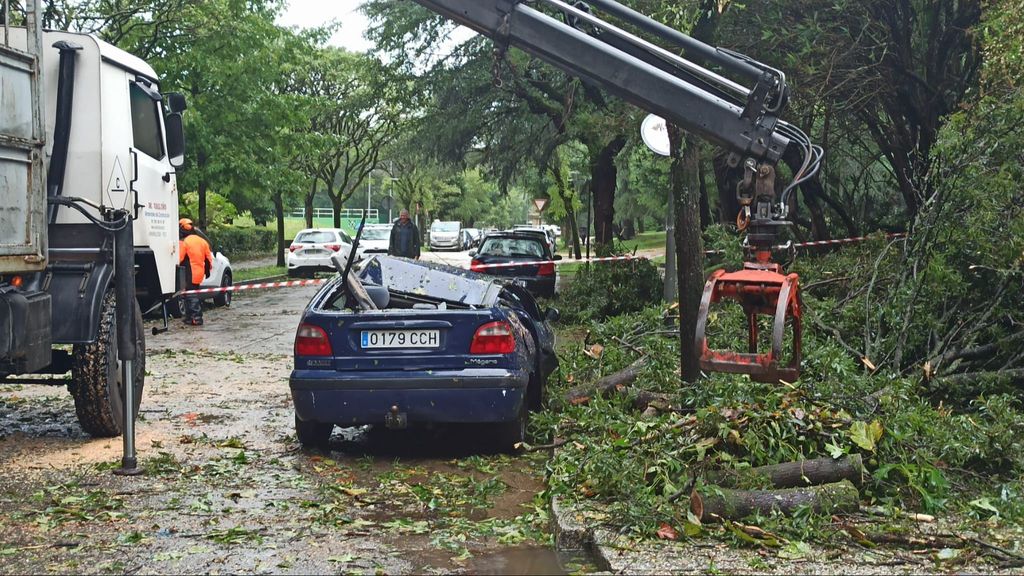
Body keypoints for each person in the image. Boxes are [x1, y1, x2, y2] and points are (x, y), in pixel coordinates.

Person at [179, 218, 214, 326]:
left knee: (191, 295)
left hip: (190, 272)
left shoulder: (185, 242)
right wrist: (208, 271)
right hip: (199, 272)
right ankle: (190, 318)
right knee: (192, 294)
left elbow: (179, 258)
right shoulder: (202, 241)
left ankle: (196, 318)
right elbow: (209, 258)